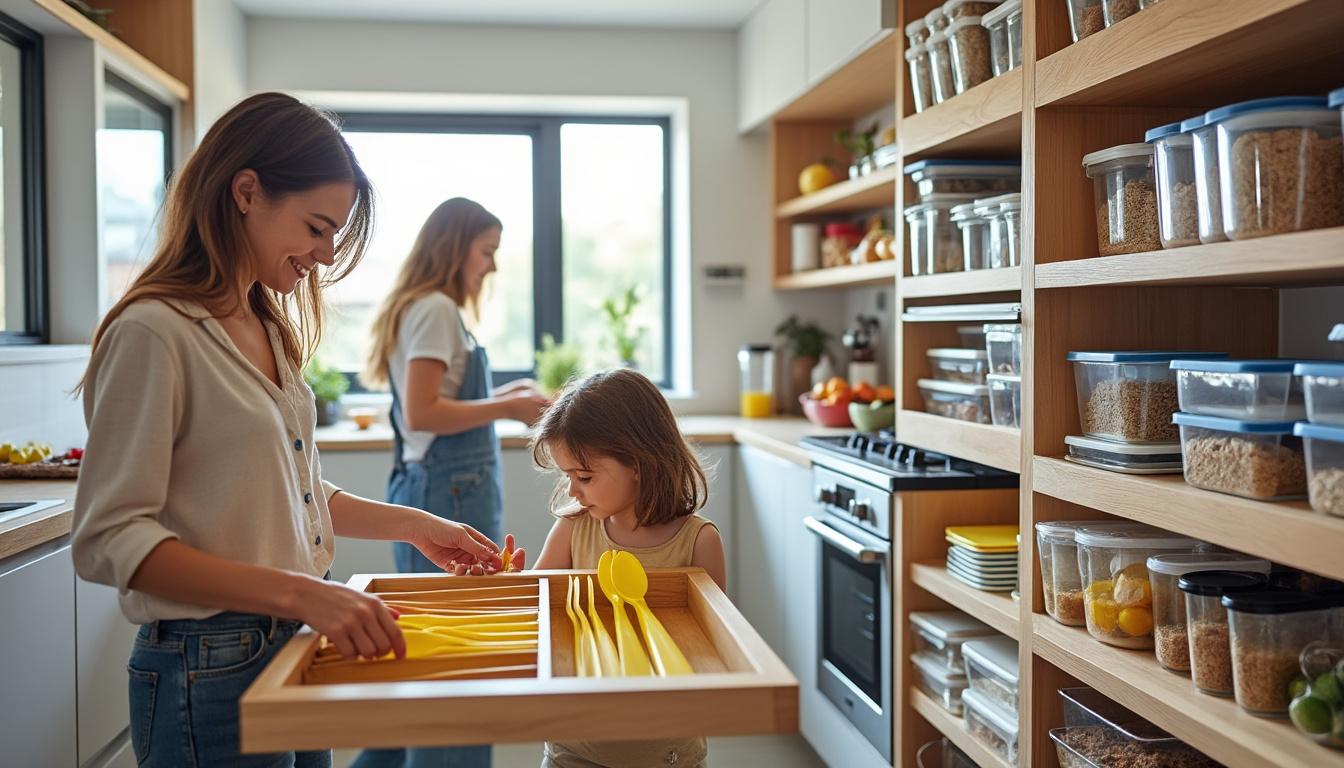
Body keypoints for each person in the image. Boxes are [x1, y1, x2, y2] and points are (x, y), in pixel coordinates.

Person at [71, 93, 507, 768]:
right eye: (316, 227)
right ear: (247, 192)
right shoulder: (154, 332)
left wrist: (419, 526)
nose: (325, 255)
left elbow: (289, 492)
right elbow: (107, 540)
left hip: (292, 643)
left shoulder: (267, 327)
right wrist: (304, 591)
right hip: (206, 664)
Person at [355, 197, 548, 768]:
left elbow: (432, 404)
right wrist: (507, 409)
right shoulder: (437, 309)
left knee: (430, 662)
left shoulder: (427, 308)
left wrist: (506, 397)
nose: (492, 265)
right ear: (455, 248)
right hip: (448, 490)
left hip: (437, 484)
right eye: (486, 251)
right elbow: (424, 412)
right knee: (457, 666)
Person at [531, 368, 727, 768]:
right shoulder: (572, 529)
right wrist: (496, 576)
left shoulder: (699, 541)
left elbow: (712, 646)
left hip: (669, 755)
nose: (572, 491)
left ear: (638, 462)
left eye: (584, 477)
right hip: (573, 751)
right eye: (568, 477)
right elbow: (534, 606)